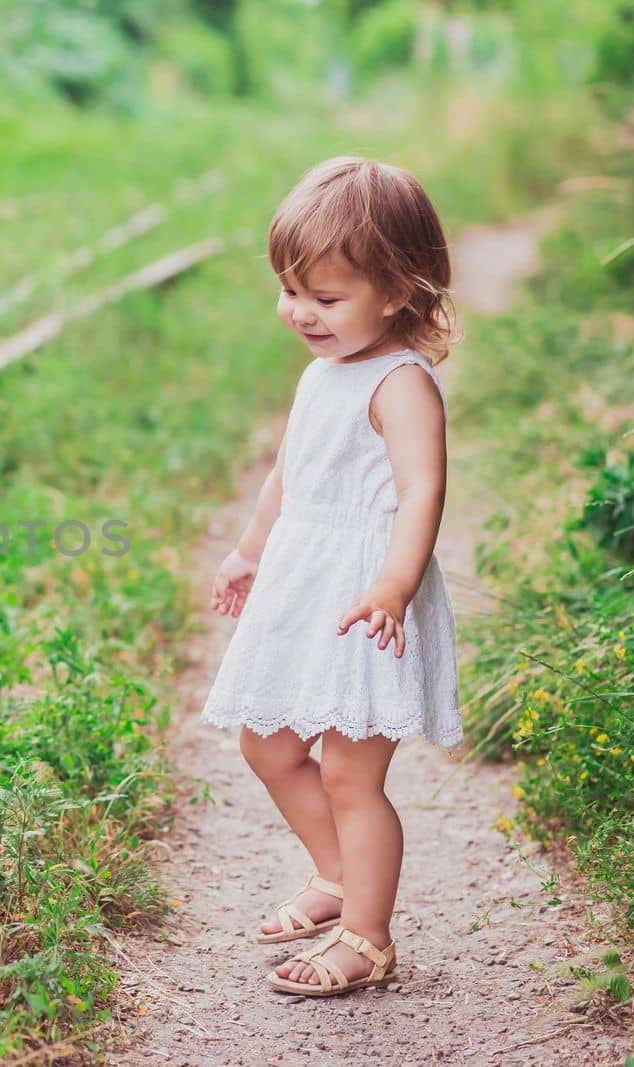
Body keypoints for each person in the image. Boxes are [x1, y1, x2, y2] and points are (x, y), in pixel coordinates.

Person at [199, 156, 462, 997]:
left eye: (326, 296)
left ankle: (367, 934)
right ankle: (335, 871)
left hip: (365, 596)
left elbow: (423, 489)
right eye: (291, 291)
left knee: (351, 772)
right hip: (301, 585)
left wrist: (393, 584)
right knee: (267, 741)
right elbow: (291, 472)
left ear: (395, 290)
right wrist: (248, 549)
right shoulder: (324, 371)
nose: (300, 313)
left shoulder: (401, 383)